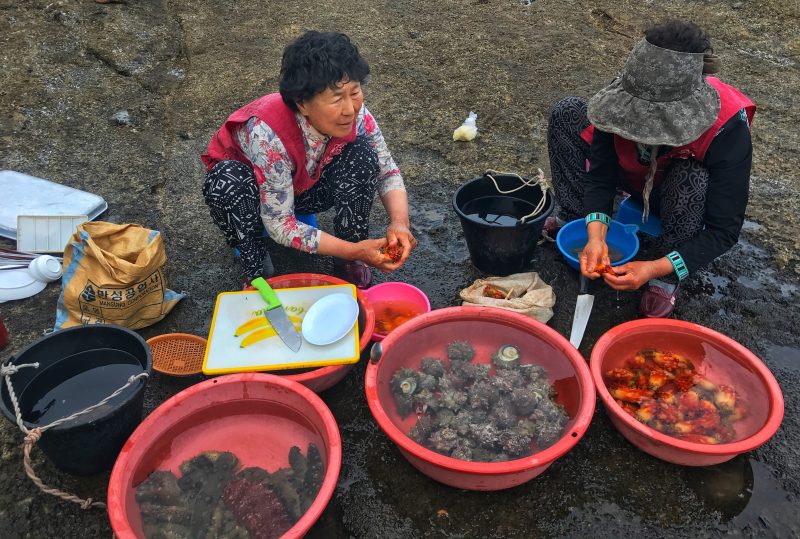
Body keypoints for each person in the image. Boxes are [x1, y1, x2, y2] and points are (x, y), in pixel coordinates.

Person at [546, 20, 754, 317]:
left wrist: (652, 267)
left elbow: (724, 231)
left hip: (676, 193)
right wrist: (594, 236)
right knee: (567, 112)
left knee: (692, 177)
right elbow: (602, 174)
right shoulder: (624, 95)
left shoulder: (727, 128)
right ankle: (574, 218)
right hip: (629, 172)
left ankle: (665, 279)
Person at [201, 31, 416, 289]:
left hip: (301, 187)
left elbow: (387, 171)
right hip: (255, 197)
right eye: (336, 98)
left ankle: (350, 260)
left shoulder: (355, 115)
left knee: (363, 155)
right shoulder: (267, 133)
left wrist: (400, 223)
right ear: (302, 104)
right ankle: (256, 265)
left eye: (355, 92)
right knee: (228, 182)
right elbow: (279, 223)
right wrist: (352, 250)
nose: (350, 109)